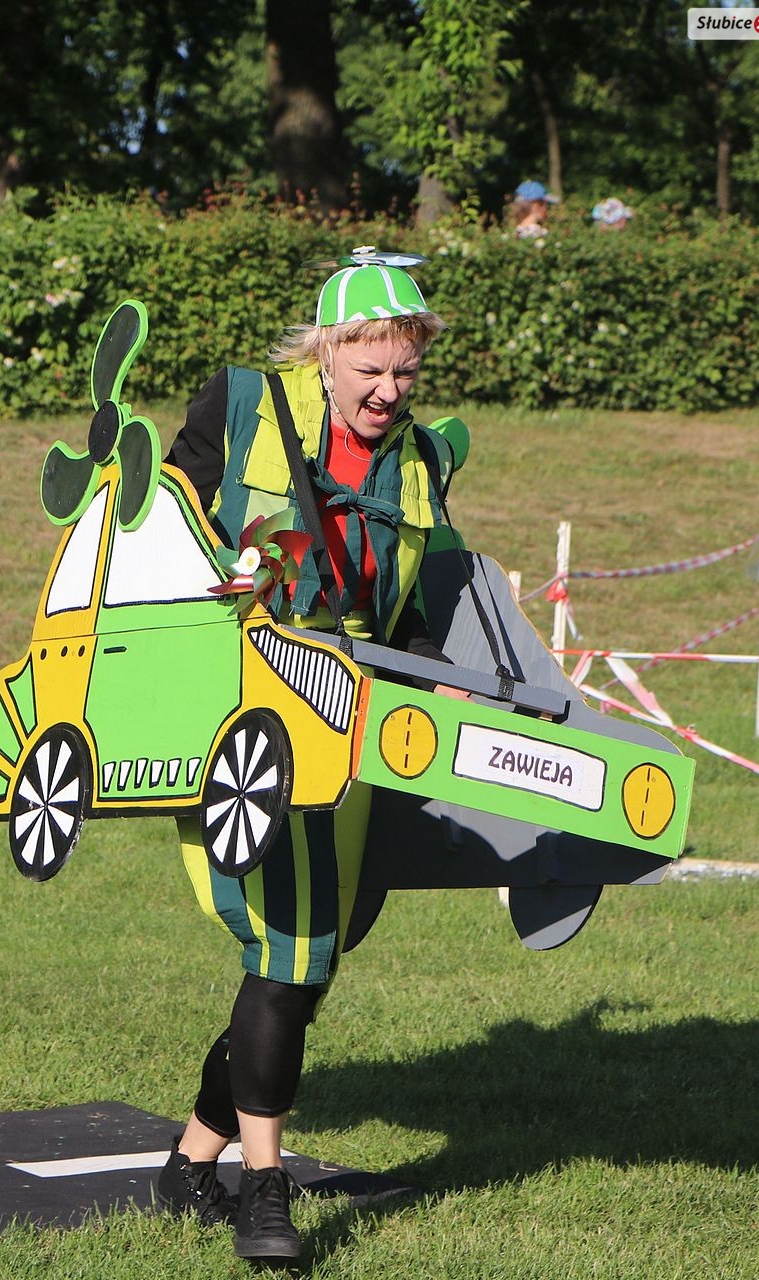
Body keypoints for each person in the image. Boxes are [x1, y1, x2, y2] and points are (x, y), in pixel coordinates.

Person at [156, 249, 467, 1261]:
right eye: (368, 369)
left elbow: (408, 607)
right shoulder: (241, 406)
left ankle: (187, 1167)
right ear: (323, 353)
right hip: (243, 714)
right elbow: (156, 531)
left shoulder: (420, 459)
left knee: (306, 969)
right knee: (289, 950)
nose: (388, 392)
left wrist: (444, 672)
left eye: (405, 372)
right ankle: (265, 1191)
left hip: (359, 727)